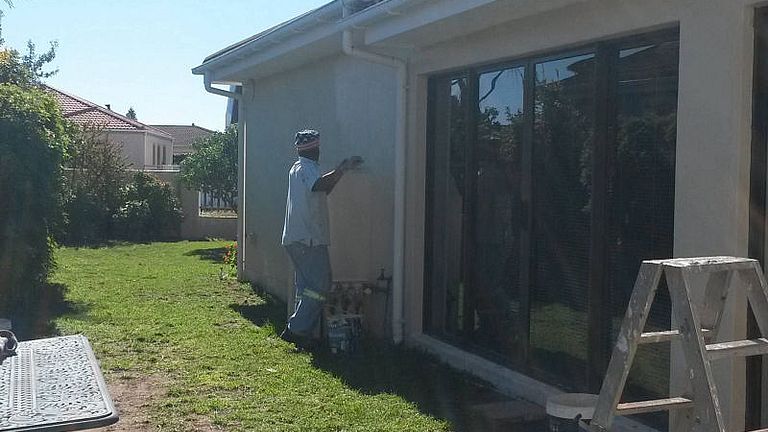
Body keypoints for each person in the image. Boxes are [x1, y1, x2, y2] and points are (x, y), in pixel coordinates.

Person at [280, 129, 363, 349]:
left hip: (295, 239)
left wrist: (337, 174)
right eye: (318, 147)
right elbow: (318, 185)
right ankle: (296, 330)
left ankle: (306, 334)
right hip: (308, 240)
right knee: (320, 286)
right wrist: (342, 168)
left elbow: (322, 190)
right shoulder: (307, 167)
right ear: (314, 148)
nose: (319, 151)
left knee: (306, 288)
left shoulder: (297, 168)